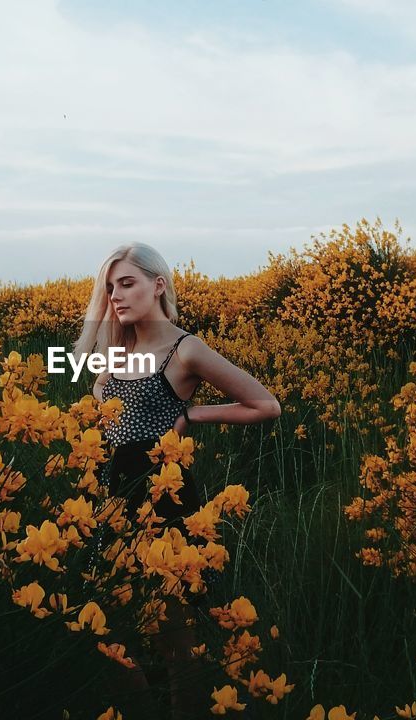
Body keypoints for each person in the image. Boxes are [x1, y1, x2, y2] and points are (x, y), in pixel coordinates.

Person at [73, 242, 281, 719]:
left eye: (127, 283)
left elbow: (265, 405)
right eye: (110, 288)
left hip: (163, 496)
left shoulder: (186, 349)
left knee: (175, 633)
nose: (116, 297)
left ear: (158, 285)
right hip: (109, 494)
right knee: (99, 622)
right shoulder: (117, 350)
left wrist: (190, 412)